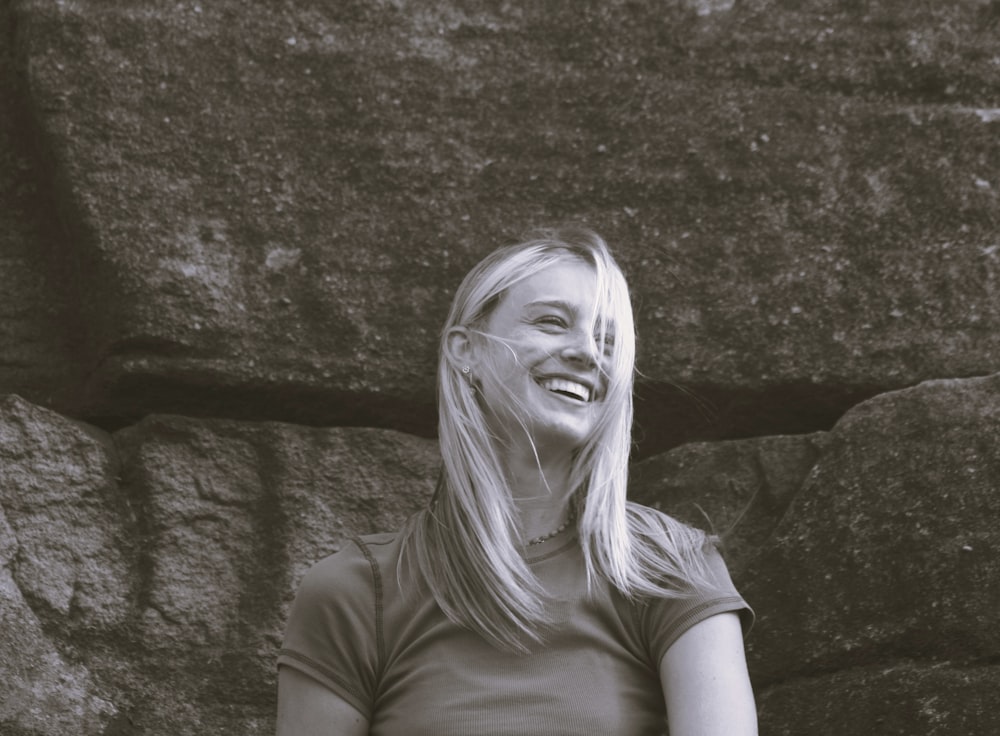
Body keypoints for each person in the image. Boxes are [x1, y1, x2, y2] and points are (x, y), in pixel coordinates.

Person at [276, 227, 757, 735]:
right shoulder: (354, 592)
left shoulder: (670, 569)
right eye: (552, 322)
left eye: (608, 341)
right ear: (467, 351)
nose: (587, 353)